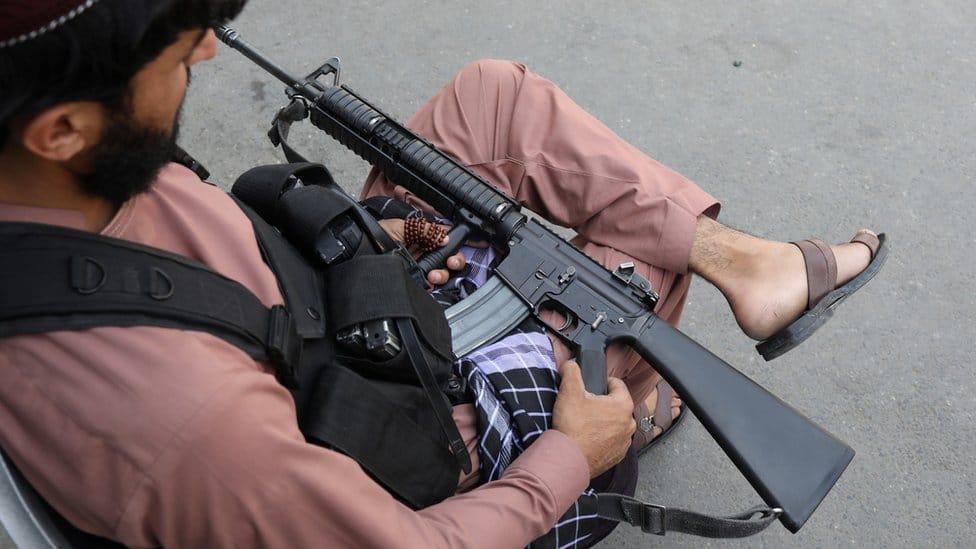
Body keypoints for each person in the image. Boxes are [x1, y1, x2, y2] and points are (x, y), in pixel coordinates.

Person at [0, 0, 885, 547]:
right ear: (63, 129)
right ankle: (624, 424)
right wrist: (568, 455)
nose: (206, 58)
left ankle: (755, 272)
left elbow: (233, 273)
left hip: (337, 332)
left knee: (492, 102)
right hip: (407, 449)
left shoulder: (50, 175)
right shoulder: (187, 429)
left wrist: (381, 239)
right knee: (616, 278)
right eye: (174, 52)